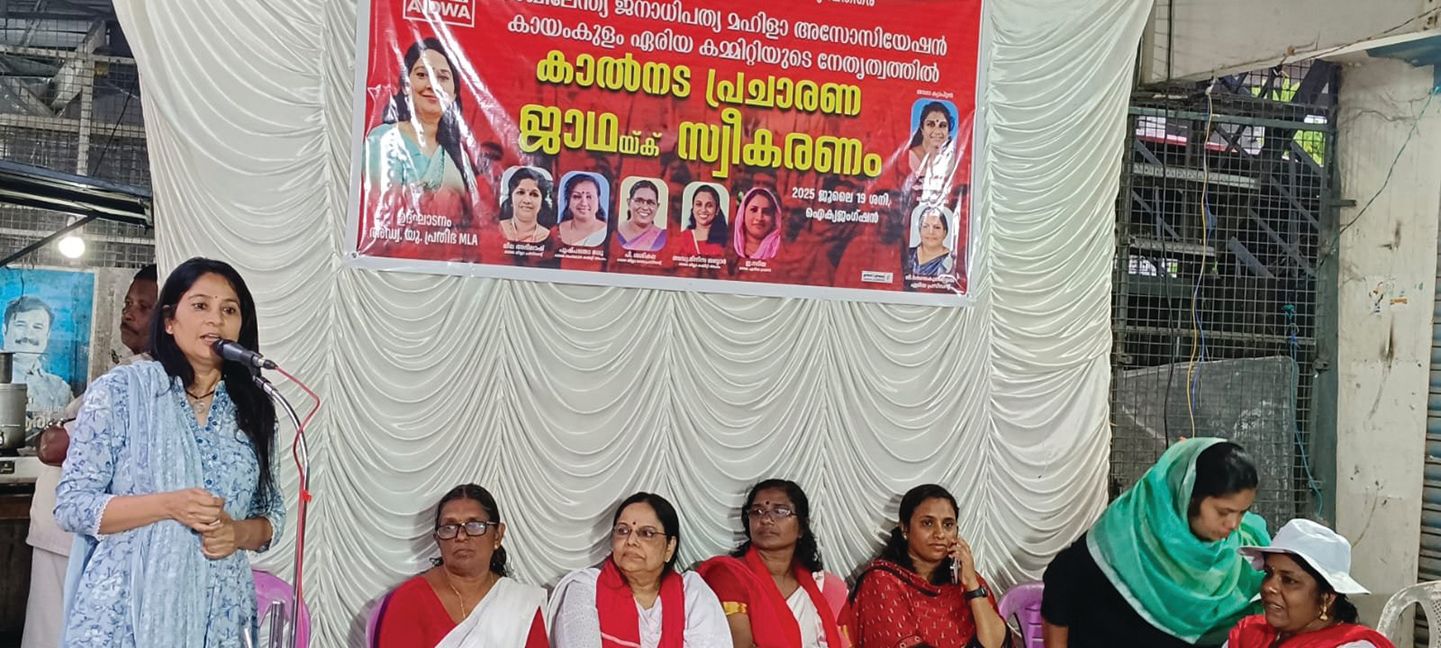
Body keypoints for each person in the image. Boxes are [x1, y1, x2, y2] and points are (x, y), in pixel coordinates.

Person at [54, 257, 285, 647]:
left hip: (220, 614)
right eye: (200, 306)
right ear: (169, 321)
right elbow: (72, 506)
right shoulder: (123, 391)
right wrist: (167, 504)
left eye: (229, 310)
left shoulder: (255, 407)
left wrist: (236, 532)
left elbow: (272, 516)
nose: (215, 320)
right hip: (125, 612)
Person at [21, 265, 156, 648]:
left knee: (51, 633)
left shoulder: (135, 379)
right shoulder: (130, 373)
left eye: (144, 307)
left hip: (73, 536)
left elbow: (54, 448)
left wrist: (54, 430)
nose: (128, 314)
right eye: (129, 303)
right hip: (66, 532)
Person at [1042, 438, 1271, 648]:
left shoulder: (1239, 560)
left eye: (1242, 512)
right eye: (1223, 511)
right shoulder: (1125, 536)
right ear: (1187, 495)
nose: (1233, 524)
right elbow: (1060, 592)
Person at [549, 492, 732, 647]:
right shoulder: (586, 588)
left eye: (647, 533)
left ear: (669, 547)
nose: (630, 541)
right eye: (622, 530)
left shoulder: (692, 593)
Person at [374, 484, 548, 647]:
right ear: (438, 540)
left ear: (497, 535)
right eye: (449, 527)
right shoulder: (410, 600)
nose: (461, 536)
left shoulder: (518, 604)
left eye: (474, 525)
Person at [845, 484, 1007, 648]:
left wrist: (972, 585)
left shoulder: (965, 580)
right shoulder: (882, 580)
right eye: (928, 523)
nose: (940, 534)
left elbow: (996, 643)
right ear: (905, 528)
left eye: (948, 525)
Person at [697, 479, 849, 648]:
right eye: (757, 511)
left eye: (780, 511)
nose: (766, 519)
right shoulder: (728, 575)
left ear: (801, 528)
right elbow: (739, 644)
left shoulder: (823, 587)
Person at [1224, 519, 1393, 648]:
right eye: (1268, 573)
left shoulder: (1352, 646)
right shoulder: (1248, 634)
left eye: (1289, 580)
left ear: (1327, 597)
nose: (1269, 586)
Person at [363, 38, 476, 223]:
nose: (432, 86)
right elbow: (379, 214)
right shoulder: (383, 140)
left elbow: (472, 221)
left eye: (443, 77)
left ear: (454, 93)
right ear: (406, 84)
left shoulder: (458, 157)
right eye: (423, 75)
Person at [3, 295, 73, 412]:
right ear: (4, 330)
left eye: (37, 327)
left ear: (48, 335)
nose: (28, 335)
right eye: (20, 325)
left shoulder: (60, 389)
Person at [906, 102, 958, 198]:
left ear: (948, 131)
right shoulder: (911, 157)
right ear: (922, 128)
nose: (937, 131)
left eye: (942, 125)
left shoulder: (953, 160)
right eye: (930, 124)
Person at [499, 167, 554, 244]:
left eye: (534, 194)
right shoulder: (497, 229)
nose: (527, 200)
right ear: (511, 199)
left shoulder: (550, 237)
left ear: (542, 202)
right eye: (521, 192)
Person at [555, 173, 609, 247]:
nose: (583, 203)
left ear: (598, 201)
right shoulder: (555, 232)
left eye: (589, 197)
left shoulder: (610, 234)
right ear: (568, 201)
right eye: (577, 196)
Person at [617, 180, 668, 252]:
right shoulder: (615, 233)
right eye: (639, 201)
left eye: (650, 203)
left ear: (657, 206)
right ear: (628, 203)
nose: (645, 207)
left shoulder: (662, 237)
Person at [732, 187, 781, 261]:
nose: (759, 218)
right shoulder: (728, 247)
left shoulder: (781, 249)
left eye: (766, 212)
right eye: (754, 210)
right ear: (743, 213)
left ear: (774, 218)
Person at [905, 207, 955, 277]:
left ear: (945, 232)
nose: (931, 232)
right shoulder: (907, 255)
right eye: (925, 226)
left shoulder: (952, 260)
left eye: (937, 227)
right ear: (920, 230)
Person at [681, 184, 727, 257]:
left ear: (717, 210)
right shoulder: (682, 238)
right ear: (693, 208)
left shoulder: (726, 240)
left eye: (709, 205)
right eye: (699, 204)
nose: (703, 210)